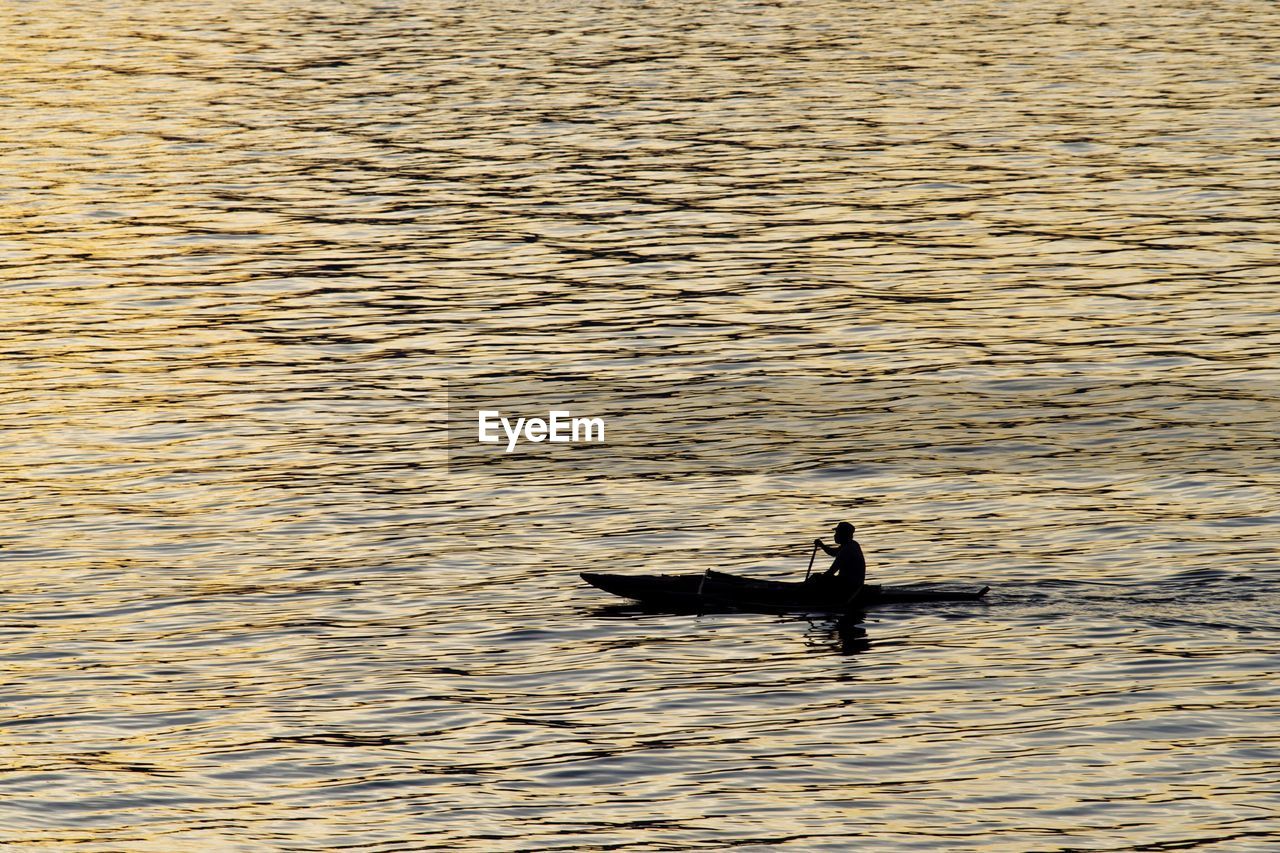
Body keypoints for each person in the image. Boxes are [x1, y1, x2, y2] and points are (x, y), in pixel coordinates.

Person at [811, 521, 866, 597]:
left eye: (837, 533)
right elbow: (834, 552)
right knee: (818, 578)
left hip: (850, 585)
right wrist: (822, 545)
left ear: (843, 534)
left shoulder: (846, 550)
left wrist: (818, 579)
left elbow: (831, 571)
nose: (835, 535)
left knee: (816, 578)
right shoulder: (852, 544)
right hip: (855, 583)